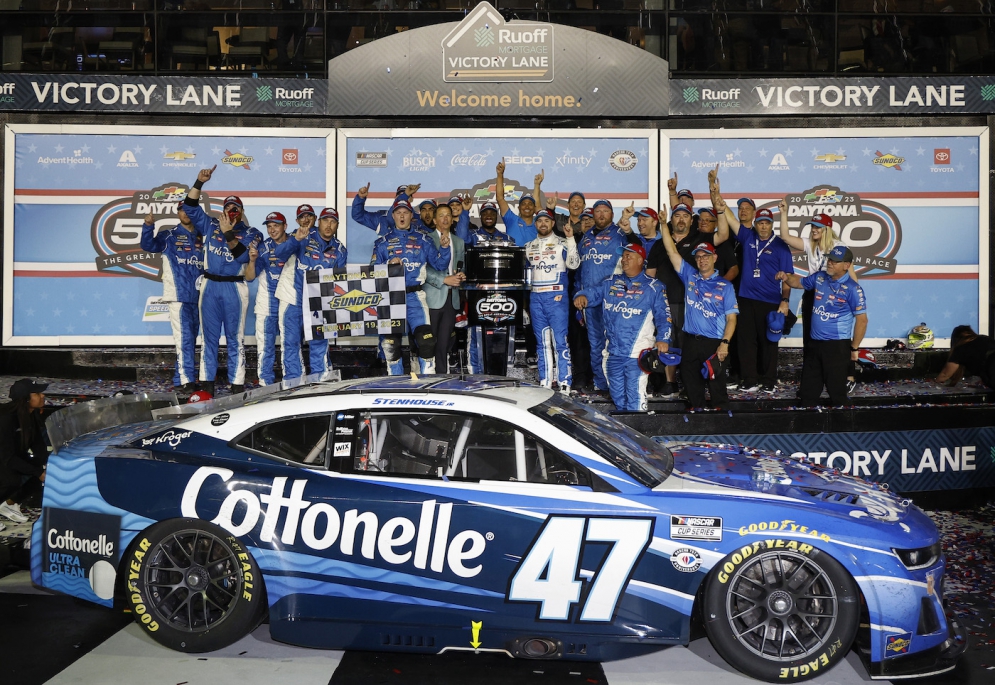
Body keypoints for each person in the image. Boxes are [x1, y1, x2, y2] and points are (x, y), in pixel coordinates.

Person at [183, 166, 264, 396]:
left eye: (236, 208)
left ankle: (236, 386)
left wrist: (229, 233)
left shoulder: (252, 233)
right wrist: (199, 182)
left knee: (234, 338)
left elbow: (242, 257)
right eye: (228, 207)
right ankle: (206, 385)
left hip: (234, 287)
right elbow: (189, 206)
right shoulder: (209, 224)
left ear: (242, 211)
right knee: (208, 338)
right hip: (209, 286)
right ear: (223, 210)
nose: (232, 210)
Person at [714, 185, 793, 393]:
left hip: (770, 300)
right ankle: (749, 379)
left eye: (767, 223)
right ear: (755, 224)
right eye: (760, 223)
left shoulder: (781, 246)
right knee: (746, 341)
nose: (764, 227)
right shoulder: (748, 237)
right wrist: (719, 199)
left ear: (771, 225)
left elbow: (788, 278)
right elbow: (731, 219)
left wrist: (785, 301)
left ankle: (768, 380)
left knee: (768, 342)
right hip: (746, 298)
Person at [574, 244, 672, 411]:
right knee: (618, 397)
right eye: (623, 256)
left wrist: (663, 339)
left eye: (629, 256)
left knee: (635, 395)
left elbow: (664, 317)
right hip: (613, 352)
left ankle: (638, 432)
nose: (624, 259)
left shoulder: (654, 287)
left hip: (638, 353)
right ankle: (625, 433)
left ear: (641, 260)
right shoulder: (610, 282)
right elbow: (593, 293)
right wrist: (581, 295)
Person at [776, 246, 867, 406]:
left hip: (837, 346)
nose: (830, 263)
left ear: (847, 265)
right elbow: (798, 282)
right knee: (807, 393)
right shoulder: (819, 277)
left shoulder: (853, 289)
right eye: (829, 259)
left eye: (835, 261)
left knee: (837, 392)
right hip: (814, 343)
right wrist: (786, 277)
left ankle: (842, 426)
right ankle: (806, 424)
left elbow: (862, 320)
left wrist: (854, 348)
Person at [658, 231, 739, 410]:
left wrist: (725, 343)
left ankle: (723, 426)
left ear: (714, 258)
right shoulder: (690, 276)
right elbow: (672, 252)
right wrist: (664, 225)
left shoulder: (725, 286)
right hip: (690, 341)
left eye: (706, 256)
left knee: (717, 388)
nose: (702, 260)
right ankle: (698, 424)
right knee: (692, 387)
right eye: (699, 257)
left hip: (714, 343)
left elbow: (731, 319)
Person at [373, 200, 452, 375]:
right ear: (393, 216)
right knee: (391, 344)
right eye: (398, 213)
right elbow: (372, 272)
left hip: (415, 296)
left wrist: (445, 248)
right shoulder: (382, 243)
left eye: (406, 212)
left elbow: (439, 265)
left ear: (411, 216)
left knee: (426, 341)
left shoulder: (423, 240)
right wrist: (388, 264)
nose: (402, 216)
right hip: (391, 298)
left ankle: (427, 382)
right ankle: (395, 384)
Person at [274, 207, 347, 381]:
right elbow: (279, 254)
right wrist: (296, 239)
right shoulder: (302, 235)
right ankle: (293, 384)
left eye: (333, 221)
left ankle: (320, 382)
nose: (329, 225)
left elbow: (340, 280)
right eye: (325, 220)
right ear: (318, 222)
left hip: (320, 303)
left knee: (319, 344)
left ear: (337, 225)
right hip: (294, 299)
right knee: (291, 343)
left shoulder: (340, 250)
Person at [140, 201, 203, 391]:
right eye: (181, 210)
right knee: (184, 339)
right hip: (178, 296)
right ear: (177, 213)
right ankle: (186, 381)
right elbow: (147, 245)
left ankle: (181, 377)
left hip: (200, 296)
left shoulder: (203, 235)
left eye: (188, 210)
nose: (185, 213)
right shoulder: (169, 235)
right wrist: (148, 226)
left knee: (191, 340)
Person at [577, 199, 633, 393]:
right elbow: (579, 271)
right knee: (595, 346)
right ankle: (601, 386)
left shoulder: (620, 234)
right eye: (598, 211)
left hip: (614, 299)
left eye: (605, 211)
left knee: (616, 344)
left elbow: (636, 256)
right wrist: (579, 297)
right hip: (589, 302)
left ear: (612, 214)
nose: (601, 214)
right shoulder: (585, 238)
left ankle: (618, 385)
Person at [645, 203, 700, 397]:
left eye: (686, 216)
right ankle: (670, 383)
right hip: (664, 304)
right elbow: (650, 275)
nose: (682, 219)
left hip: (691, 304)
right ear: (671, 220)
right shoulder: (659, 245)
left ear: (692, 221)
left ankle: (689, 383)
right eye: (677, 216)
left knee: (690, 345)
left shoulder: (698, 242)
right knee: (667, 343)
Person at [525, 208, 579, 391]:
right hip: (536, 297)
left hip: (556, 297)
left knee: (560, 341)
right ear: (535, 224)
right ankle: (545, 382)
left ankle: (565, 382)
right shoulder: (528, 246)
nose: (543, 224)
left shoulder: (562, 243)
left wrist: (571, 239)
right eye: (539, 220)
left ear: (553, 223)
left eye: (546, 220)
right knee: (542, 342)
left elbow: (573, 264)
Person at [246, 211, 291, 386]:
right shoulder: (262, 248)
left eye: (276, 226)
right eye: (269, 226)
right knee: (265, 349)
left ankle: (291, 383)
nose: (272, 230)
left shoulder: (295, 245)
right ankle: (265, 384)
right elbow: (249, 277)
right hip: (267, 306)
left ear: (285, 226)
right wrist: (252, 260)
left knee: (290, 347)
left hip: (290, 305)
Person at [0, 379, 48, 526]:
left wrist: (47, 466)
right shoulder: (6, 418)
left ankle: (9, 503)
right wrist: (37, 472)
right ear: (26, 398)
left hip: (11, 455)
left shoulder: (31, 415)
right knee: (11, 480)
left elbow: (38, 445)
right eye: (37, 393)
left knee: (45, 472)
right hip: (4, 457)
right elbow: (7, 458)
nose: (42, 396)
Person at [425, 203, 466, 373]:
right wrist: (444, 280)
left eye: (448, 215)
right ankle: (425, 375)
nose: (445, 218)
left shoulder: (459, 241)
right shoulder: (426, 239)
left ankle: (441, 377)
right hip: (432, 297)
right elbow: (422, 270)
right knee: (428, 343)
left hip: (452, 298)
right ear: (435, 220)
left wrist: (462, 275)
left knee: (444, 343)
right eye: (441, 215)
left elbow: (461, 266)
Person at [495, 159, 541, 246]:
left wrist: (537, 185)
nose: (527, 207)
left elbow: (537, 205)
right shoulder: (512, 219)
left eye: (530, 204)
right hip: (514, 259)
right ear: (518, 208)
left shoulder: (539, 223)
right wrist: (500, 175)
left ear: (534, 208)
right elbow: (500, 198)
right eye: (523, 204)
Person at [352, 183, 416, 236]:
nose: (402, 199)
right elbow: (358, 216)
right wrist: (360, 198)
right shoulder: (382, 218)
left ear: (412, 199)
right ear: (395, 198)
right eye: (400, 196)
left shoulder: (419, 218)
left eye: (407, 195)